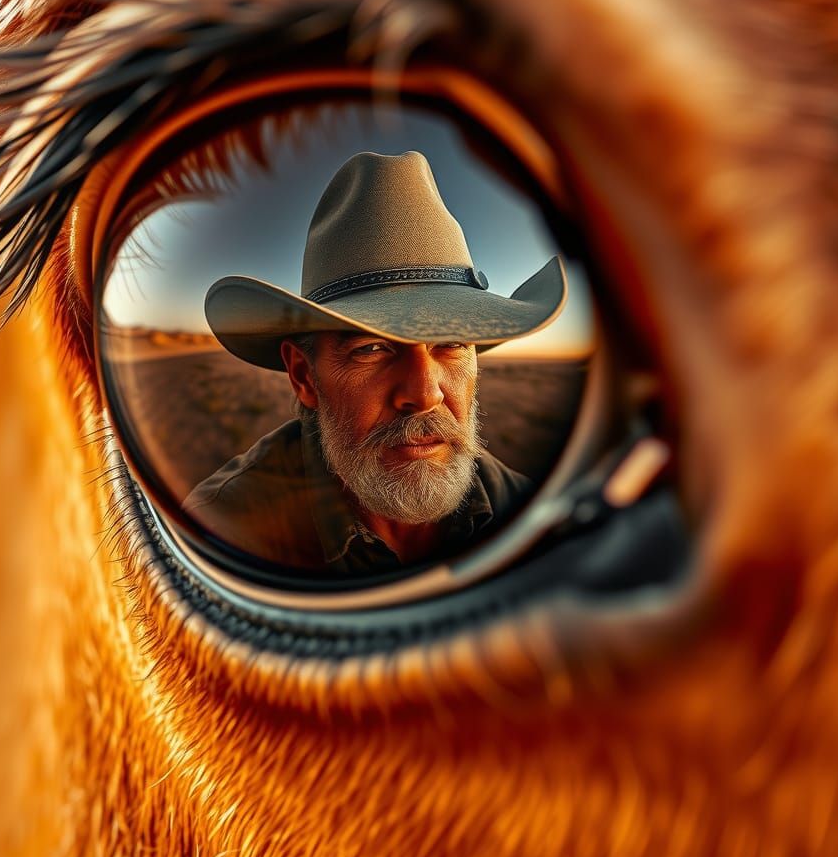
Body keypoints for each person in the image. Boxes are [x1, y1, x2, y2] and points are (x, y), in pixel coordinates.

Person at [183, 150, 567, 572]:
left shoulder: (535, 520)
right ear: (304, 376)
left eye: (452, 343)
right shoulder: (222, 537)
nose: (423, 394)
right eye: (372, 349)